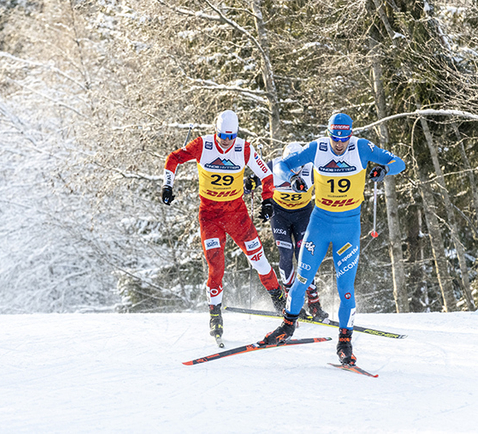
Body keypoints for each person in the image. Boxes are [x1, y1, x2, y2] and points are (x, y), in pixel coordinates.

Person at [258, 113, 405, 366]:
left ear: (350, 133)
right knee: (301, 280)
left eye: (343, 138)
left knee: (345, 289)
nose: (339, 144)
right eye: (335, 137)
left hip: (348, 228)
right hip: (320, 223)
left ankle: (345, 342)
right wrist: (293, 177)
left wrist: (384, 169)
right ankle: (287, 327)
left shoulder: (361, 146)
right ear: (329, 134)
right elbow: (282, 165)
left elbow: (399, 162)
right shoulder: (318, 148)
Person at [162, 110, 287, 348]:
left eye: (231, 136)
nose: (226, 141)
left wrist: (267, 200)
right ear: (215, 131)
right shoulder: (203, 145)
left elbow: (267, 175)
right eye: (222, 135)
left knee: (258, 259)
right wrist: (167, 186)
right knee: (216, 267)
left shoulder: (244, 148)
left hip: (237, 215)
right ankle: (215, 314)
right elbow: (173, 158)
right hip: (210, 217)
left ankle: (279, 298)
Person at [245, 143, 329, 322]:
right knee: (286, 253)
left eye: (297, 165)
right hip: (280, 215)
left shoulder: (311, 169)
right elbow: (255, 177)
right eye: (290, 165)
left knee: (304, 256)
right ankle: (291, 301)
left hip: (303, 215)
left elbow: (330, 180)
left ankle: (314, 303)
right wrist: (250, 183)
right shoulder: (275, 165)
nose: (294, 170)